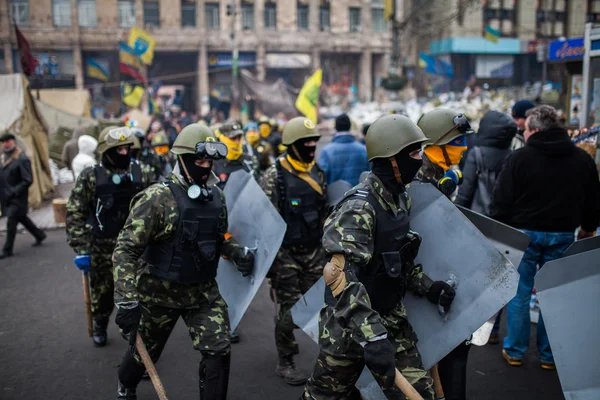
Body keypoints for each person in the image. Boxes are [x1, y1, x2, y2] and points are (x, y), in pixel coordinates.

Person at [303, 115, 455, 400]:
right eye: (413, 153)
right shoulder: (358, 208)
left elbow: (397, 262)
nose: (420, 160)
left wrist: (428, 286)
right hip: (349, 327)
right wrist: (372, 336)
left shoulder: (400, 199)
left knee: (422, 392)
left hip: (390, 320)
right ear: (390, 159)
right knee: (324, 396)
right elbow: (340, 281)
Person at [112, 124, 255, 400]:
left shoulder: (216, 197)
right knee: (143, 354)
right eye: (199, 160)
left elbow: (217, 238)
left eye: (209, 161)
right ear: (182, 158)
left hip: (203, 293)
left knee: (219, 350)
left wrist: (236, 252)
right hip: (158, 294)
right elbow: (126, 249)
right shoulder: (156, 199)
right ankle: (125, 383)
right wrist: (126, 298)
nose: (205, 166)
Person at [490, 105, 600, 370]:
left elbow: (501, 199)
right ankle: (549, 357)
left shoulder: (519, 158)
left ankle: (515, 351)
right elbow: (593, 199)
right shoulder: (581, 158)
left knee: (520, 292)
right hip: (563, 234)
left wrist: (500, 231)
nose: (523, 134)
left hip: (523, 235)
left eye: (525, 129)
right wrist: (587, 228)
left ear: (535, 130)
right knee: (553, 294)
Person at [66, 126, 154, 347]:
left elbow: (158, 207)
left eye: (127, 148)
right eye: (119, 149)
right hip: (102, 247)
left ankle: (137, 342)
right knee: (103, 293)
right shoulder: (91, 176)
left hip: (136, 248)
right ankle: (100, 323)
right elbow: (75, 212)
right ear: (106, 151)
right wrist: (82, 248)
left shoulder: (142, 172)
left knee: (139, 294)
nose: (124, 153)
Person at [260, 117, 328, 386]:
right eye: (306, 142)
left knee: (320, 308)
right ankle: (285, 360)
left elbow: (324, 211)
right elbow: (266, 223)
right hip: (286, 254)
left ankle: (332, 360)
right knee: (289, 311)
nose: (311, 146)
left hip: (314, 252)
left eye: (314, 141)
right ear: (292, 144)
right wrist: (272, 263)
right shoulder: (273, 176)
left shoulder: (317, 172)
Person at [417, 108, 474, 400]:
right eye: (456, 143)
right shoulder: (414, 179)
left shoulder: (443, 174)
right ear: (435, 145)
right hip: (418, 278)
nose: (462, 148)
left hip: (439, 270)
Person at [0, 133, 46, 260]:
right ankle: (39, 235)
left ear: (14, 142)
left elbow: (27, 179)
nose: (5, 144)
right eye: (3, 142)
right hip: (6, 197)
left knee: (11, 222)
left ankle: (7, 250)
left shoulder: (21, 159)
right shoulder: (3, 158)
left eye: (8, 141)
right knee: (22, 218)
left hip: (17, 197)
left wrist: (15, 191)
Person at [318, 113, 370, 186]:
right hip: (359, 195)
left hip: (335, 196)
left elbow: (322, 178)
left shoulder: (326, 151)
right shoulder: (364, 150)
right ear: (349, 126)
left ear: (336, 127)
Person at [213, 121, 258, 188]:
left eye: (239, 138)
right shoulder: (214, 163)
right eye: (233, 138)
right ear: (222, 138)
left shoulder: (250, 161)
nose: (237, 142)